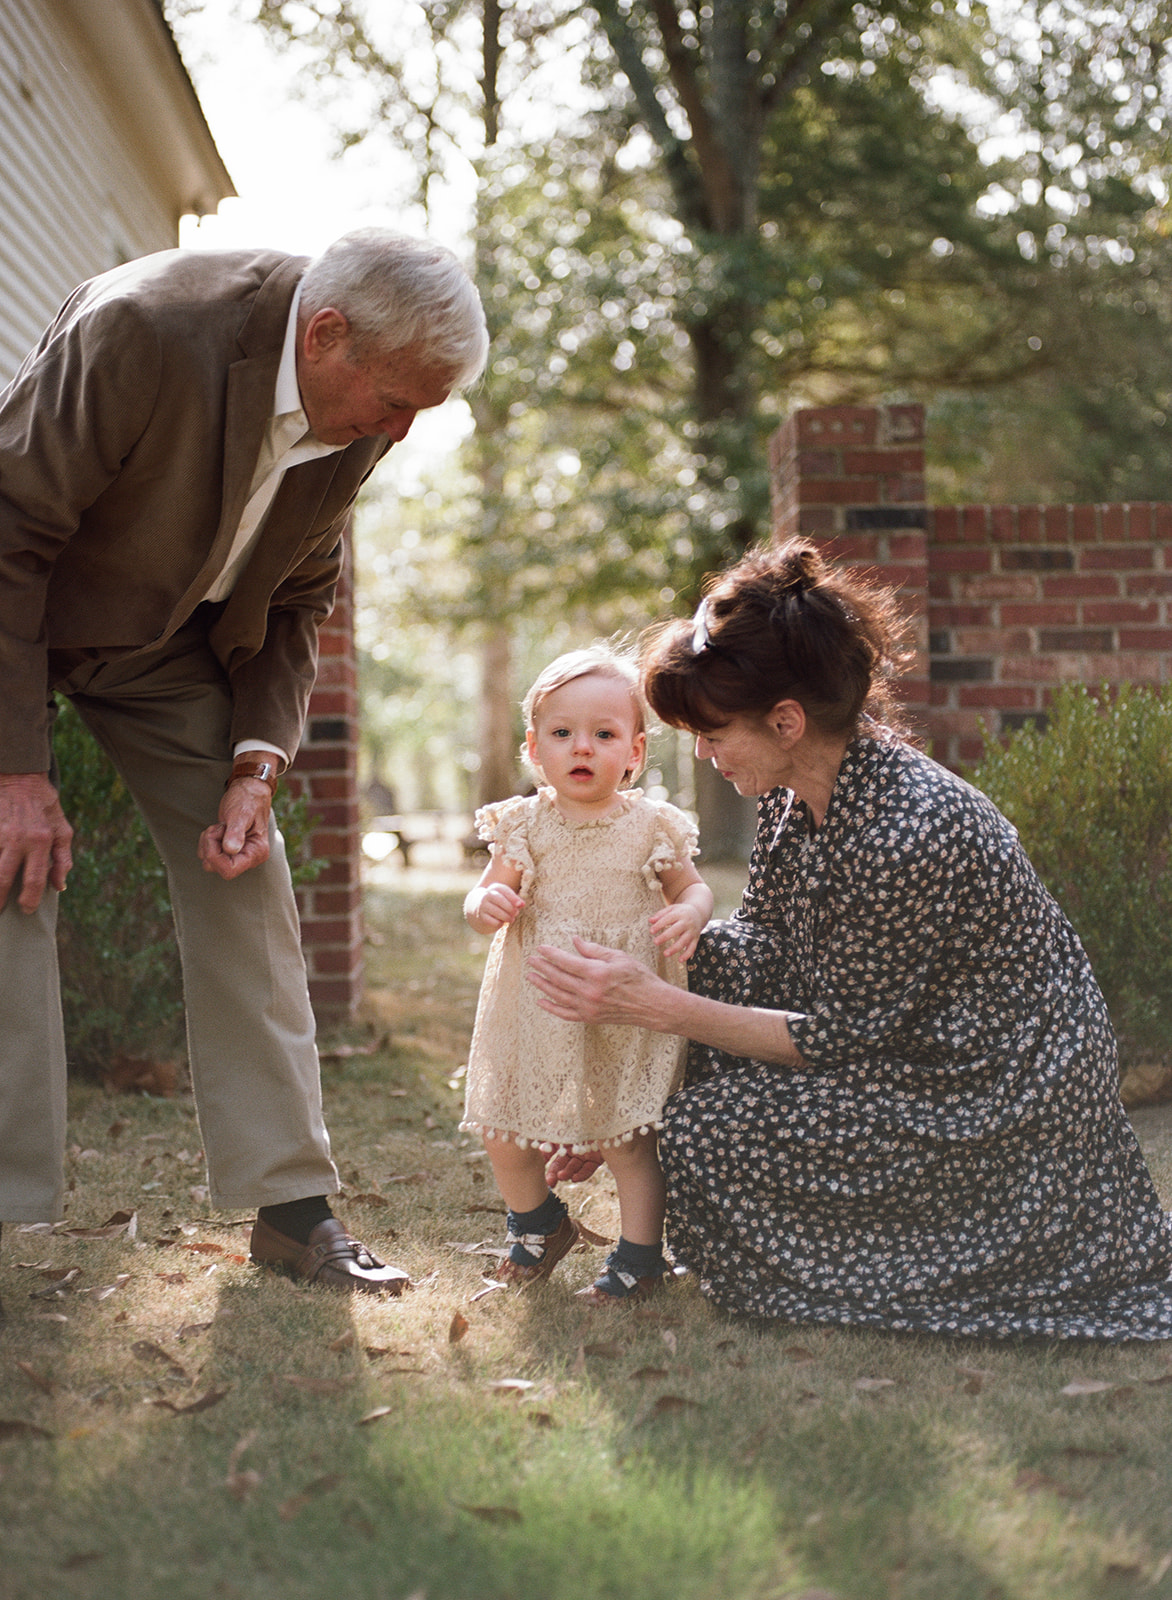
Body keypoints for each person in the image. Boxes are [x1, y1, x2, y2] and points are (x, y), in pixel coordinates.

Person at [0, 227, 488, 1304]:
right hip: (15, 617)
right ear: (326, 336)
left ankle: (290, 1207)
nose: (401, 435)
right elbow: (10, 531)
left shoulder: (360, 412)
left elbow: (303, 594)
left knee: (245, 875)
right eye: (398, 403)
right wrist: (16, 773)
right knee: (9, 870)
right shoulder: (145, 328)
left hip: (166, 644)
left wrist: (254, 770)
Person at [531, 540, 1172, 1340]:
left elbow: (835, 1038)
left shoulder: (906, 831)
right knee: (686, 1070)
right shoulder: (792, 793)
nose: (701, 751)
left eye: (713, 731)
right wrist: (631, 1045)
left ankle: (894, 1266)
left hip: (999, 1101)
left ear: (787, 720)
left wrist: (656, 1007)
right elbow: (762, 949)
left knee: (703, 1124)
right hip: (900, 1048)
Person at [462, 646, 713, 1302]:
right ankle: (538, 1224)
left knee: (628, 1134)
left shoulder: (652, 826)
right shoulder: (523, 824)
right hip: (534, 1002)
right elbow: (482, 894)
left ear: (633, 751)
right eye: (563, 733)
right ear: (533, 748)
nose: (583, 747)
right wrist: (485, 903)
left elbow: (694, 889)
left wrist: (689, 914)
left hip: (625, 1008)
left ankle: (638, 1257)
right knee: (502, 1124)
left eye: (603, 735)